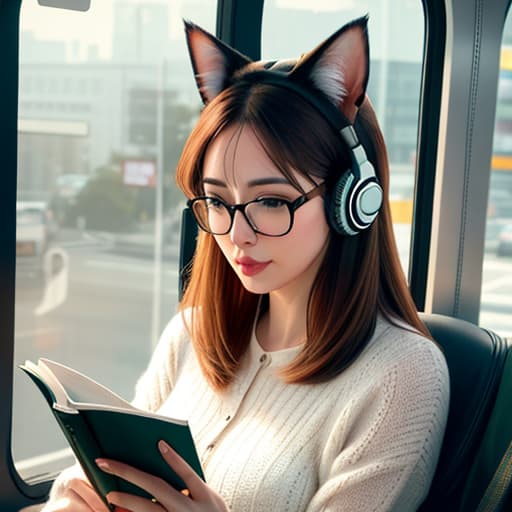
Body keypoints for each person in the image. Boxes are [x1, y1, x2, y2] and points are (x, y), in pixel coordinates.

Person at [41, 15, 449, 512]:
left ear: (352, 200)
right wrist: (71, 496)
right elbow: (106, 472)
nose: (237, 235)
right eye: (217, 202)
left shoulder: (402, 377)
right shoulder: (193, 332)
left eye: (272, 202)